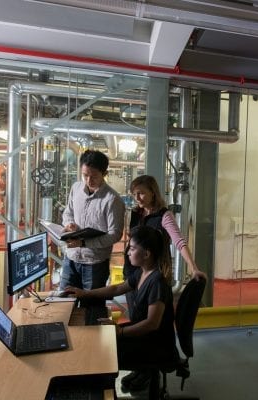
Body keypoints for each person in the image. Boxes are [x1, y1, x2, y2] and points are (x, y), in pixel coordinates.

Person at [64, 225, 178, 392]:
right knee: (101, 337)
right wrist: (84, 294)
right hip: (144, 337)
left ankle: (103, 392)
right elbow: (117, 289)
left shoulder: (157, 282)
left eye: (132, 248)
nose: (128, 252)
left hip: (155, 346)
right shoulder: (142, 272)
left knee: (102, 350)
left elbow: (152, 324)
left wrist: (120, 332)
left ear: (146, 254)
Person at [60, 149, 125, 324]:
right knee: (63, 304)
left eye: (94, 176)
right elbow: (68, 212)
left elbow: (114, 235)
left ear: (104, 174)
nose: (89, 180)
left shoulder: (112, 200)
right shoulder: (76, 188)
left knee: (93, 312)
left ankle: (92, 349)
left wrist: (83, 242)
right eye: (85, 175)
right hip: (71, 260)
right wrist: (69, 224)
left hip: (95, 264)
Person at [126, 175, 207, 284]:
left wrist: (193, 268)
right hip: (133, 270)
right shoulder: (136, 213)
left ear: (153, 192)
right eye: (134, 194)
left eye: (141, 193)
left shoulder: (164, 215)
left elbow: (179, 241)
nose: (137, 198)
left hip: (156, 272)